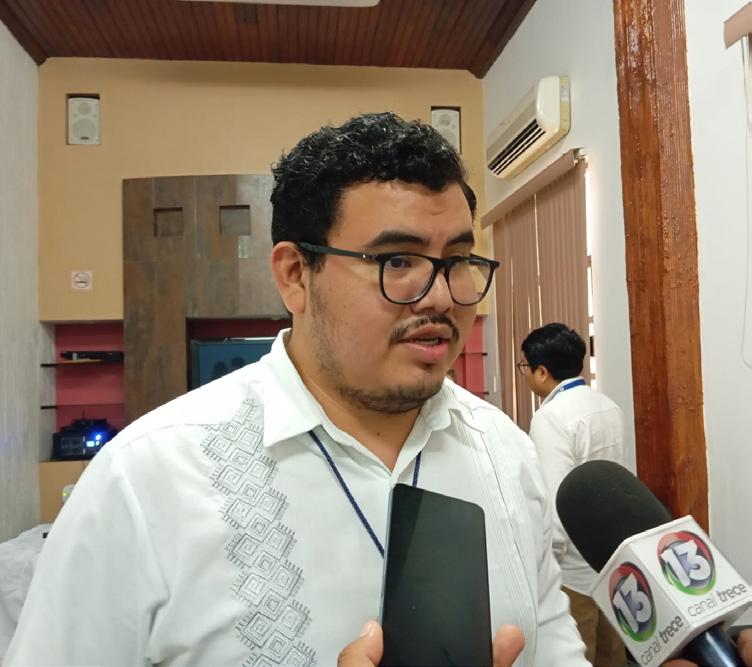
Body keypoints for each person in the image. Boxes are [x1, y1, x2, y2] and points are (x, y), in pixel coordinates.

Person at [6, 113, 587, 665]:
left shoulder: (507, 454)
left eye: (457, 260)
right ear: (294, 275)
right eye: (397, 261)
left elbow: (554, 649)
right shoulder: (143, 481)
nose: (439, 296)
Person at [520, 322, 627, 666]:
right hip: (610, 560)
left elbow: (556, 501)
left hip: (572, 572)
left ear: (542, 371)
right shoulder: (607, 405)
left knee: (577, 655)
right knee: (613, 656)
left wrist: (545, 568)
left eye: (525, 368)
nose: (525, 375)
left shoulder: (551, 417)